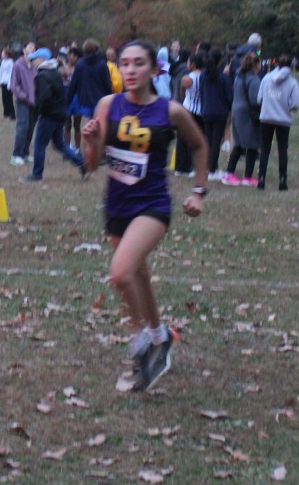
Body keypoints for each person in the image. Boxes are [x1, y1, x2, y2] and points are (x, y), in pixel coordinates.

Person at [81, 40, 209, 392]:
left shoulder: (170, 111)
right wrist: (91, 140)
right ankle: (158, 335)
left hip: (152, 204)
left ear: (154, 70)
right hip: (117, 204)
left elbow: (199, 145)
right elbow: (91, 164)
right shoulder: (108, 105)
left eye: (139, 63)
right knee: (137, 274)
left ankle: (139, 340)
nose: (131, 69)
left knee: (121, 272)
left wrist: (199, 192)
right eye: (125, 63)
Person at [21, 48, 85, 182]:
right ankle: (82, 163)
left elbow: (44, 97)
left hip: (49, 115)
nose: (32, 62)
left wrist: (38, 112)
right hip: (60, 114)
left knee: (39, 145)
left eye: (34, 59)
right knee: (59, 144)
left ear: (41, 60)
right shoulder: (55, 73)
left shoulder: (42, 76)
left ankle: (37, 174)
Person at [257, 54, 299, 191]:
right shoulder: (292, 82)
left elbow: (259, 99)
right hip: (283, 120)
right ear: (291, 66)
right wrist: (287, 106)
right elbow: (296, 103)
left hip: (266, 118)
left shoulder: (266, 78)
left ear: (277, 64)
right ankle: (283, 180)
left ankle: (261, 178)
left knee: (265, 149)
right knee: (282, 150)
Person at [222, 53, 262, 186]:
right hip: (248, 114)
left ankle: (229, 174)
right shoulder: (254, 79)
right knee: (252, 145)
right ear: (256, 64)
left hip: (236, 111)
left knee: (238, 144)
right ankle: (248, 177)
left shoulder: (239, 77)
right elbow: (255, 100)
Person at [66, 38, 112, 153]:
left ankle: (84, 153)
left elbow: (73, 84)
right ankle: (99, 152)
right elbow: (107, 84)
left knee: (86, 127)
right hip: (100, 100)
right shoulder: (102, 64)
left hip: (85, 100)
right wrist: (110, 100)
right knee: (100, 127)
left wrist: (67, 101)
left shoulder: (80, 64)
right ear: (96, 49)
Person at [199, 48, 233, 181]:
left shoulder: (203, 75)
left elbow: (201, 93)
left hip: (207, 111)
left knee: (208, 140)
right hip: (220, 112)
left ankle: (208, 166)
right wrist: (229, 109)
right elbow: (229, 96)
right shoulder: (223, 77)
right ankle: (212, 169)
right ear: (219, 61)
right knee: (215, 141)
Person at [9, 42, 38, 165]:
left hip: (34, 102)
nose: (33, 49)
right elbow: (14, 85)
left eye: (34, 48)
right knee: (22, 127)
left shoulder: (35, 66)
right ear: (23, 49)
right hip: (23, 102)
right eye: (30, 47)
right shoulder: (18, 65)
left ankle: (25, 153)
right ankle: (16, 155)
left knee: (30, 128)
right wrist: (25, 97)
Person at [0, 48, 15, 119]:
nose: (1, 54)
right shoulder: (3, 62)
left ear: (7, 54)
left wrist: (9, 84)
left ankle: (12, 114)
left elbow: (11, 73)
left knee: (9, 99)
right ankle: (6, 113)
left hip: (8, 83)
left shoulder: (10, 62)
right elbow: (1, 72)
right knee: (4, 98)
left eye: (3, 53)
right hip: (3, 82)